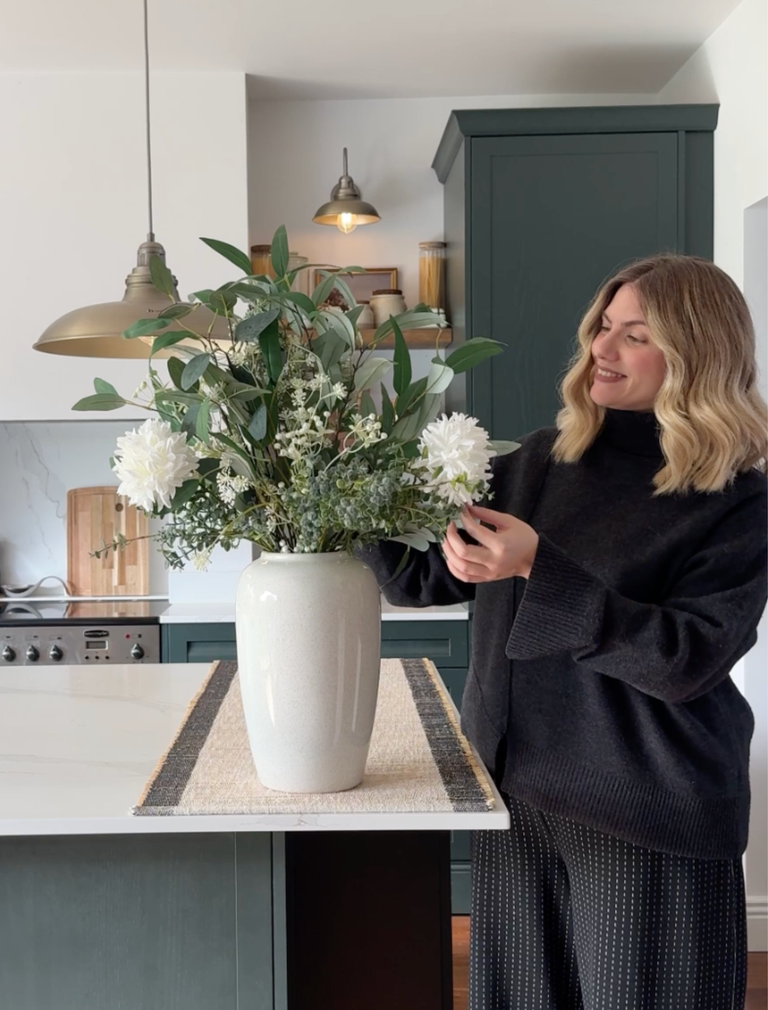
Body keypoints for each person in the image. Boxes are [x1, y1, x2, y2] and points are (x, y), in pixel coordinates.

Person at [358, 254, 768, 1009]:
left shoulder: (736, 498)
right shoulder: (544, 458)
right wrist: (345, 481)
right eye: (603, 328)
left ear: (696, 355)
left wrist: (538, 567)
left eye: (634, 335)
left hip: (645, 812)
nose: (601, 351)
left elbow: (686, 658)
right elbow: (421, 578)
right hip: (519, 801)